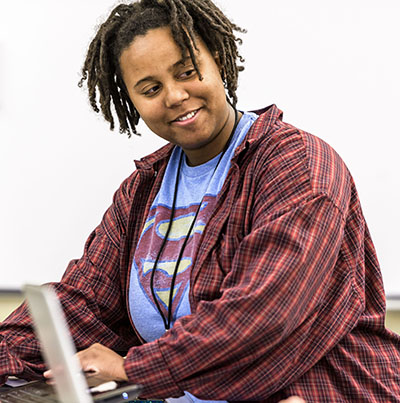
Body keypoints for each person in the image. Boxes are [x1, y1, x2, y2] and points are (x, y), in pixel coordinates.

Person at [0, 0, 399, 401]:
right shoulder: (142, 190)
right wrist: (6, 353)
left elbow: (264, 312)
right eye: (151, 89)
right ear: (132, 102)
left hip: (319, 392)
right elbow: (85, 303)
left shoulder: (297, 163)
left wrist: (132, 368)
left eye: (187, 72)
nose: (174, 96)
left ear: (219, 64)